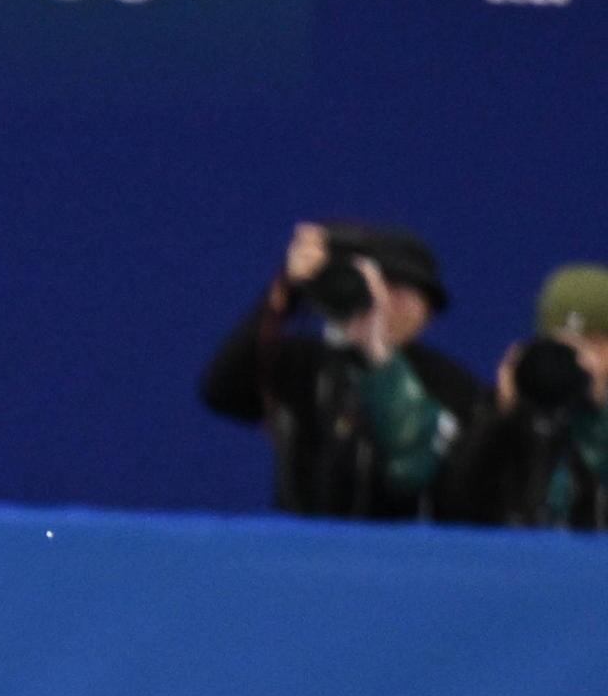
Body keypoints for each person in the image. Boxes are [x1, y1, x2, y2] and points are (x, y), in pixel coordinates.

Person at [198, 221, 483, 521]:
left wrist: (378, 356)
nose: (387, 303)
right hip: (300, 541)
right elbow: (221, 392)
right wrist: (286, 292)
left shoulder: (451, 382)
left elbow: (415, 468)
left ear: (429, 314)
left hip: (397, 545)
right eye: (382, 286)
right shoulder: (303, 362)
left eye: (406, 293)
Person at [453, 263, 608, 530]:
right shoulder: (501, 410)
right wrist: (500, 416)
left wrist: (598, 412)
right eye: (562, 346)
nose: (580, 360)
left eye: (595, 343)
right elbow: (454, 505)